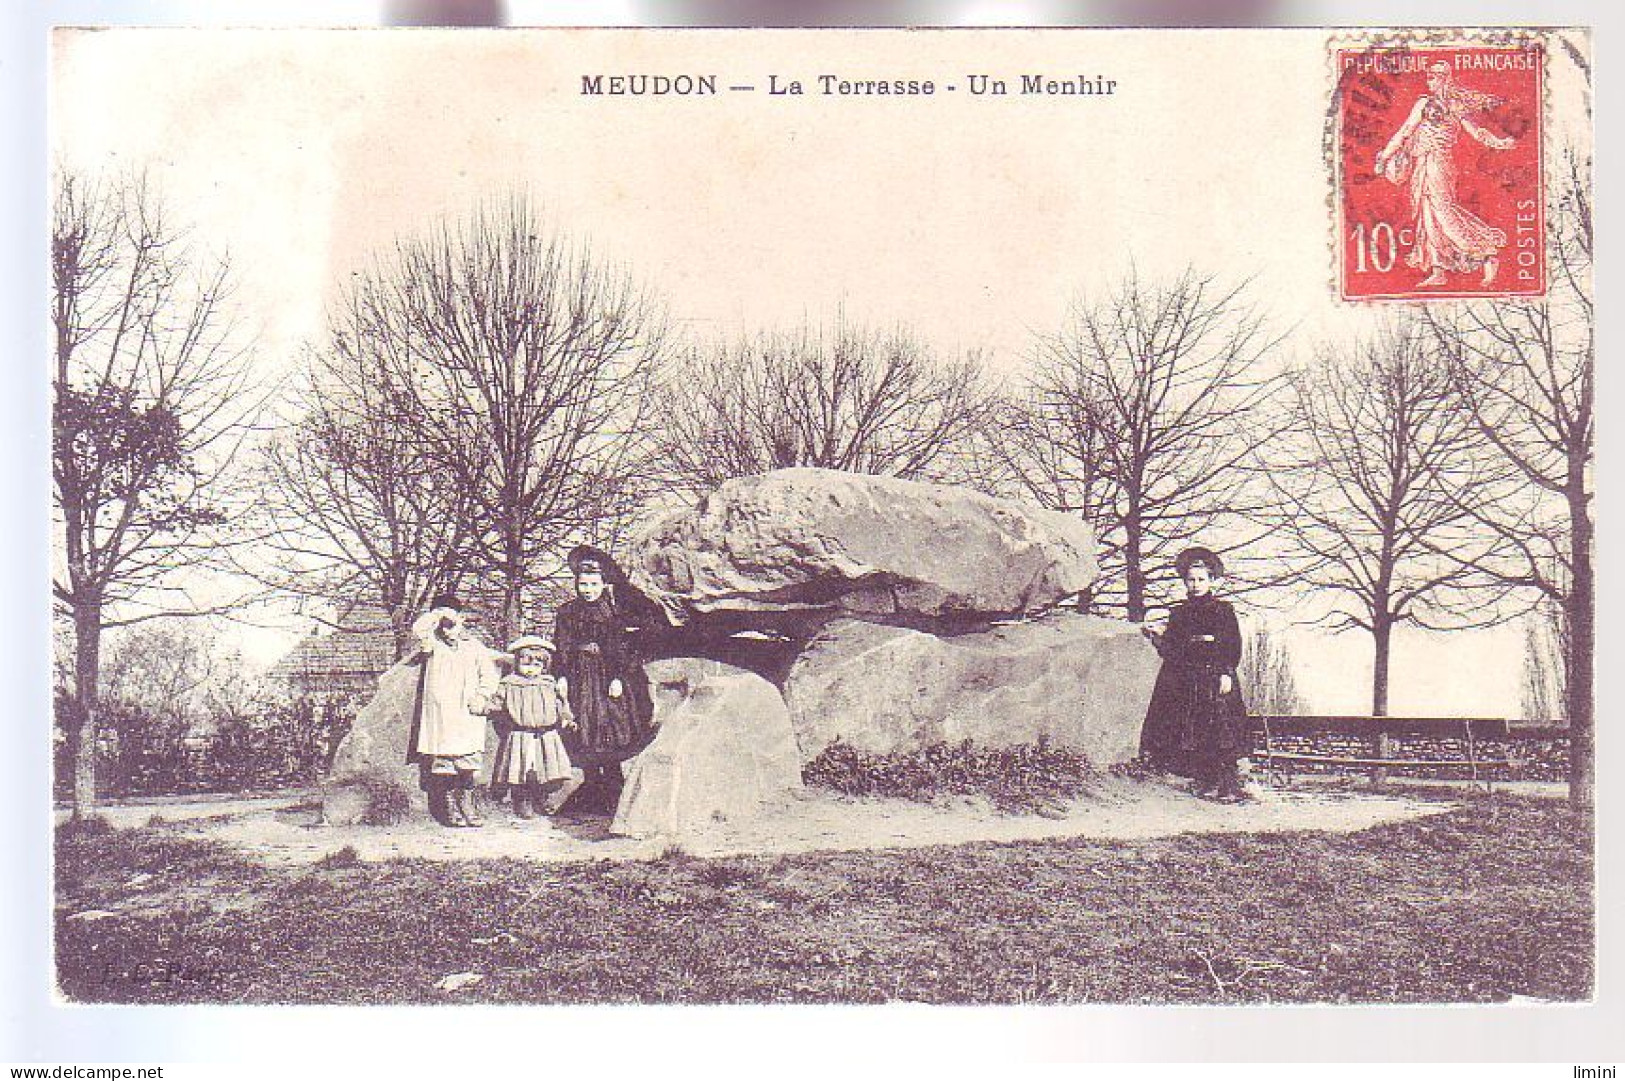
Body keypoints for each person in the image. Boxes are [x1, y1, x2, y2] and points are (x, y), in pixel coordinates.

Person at [1374, 60, 1516, 288]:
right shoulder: (1422, 103)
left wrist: (1499, 143)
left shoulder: (1456, 105)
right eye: (1428, 76)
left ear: (1445, 79)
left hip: (1440, 163)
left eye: (1435, 76)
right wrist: (1384, 156)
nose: (1430, 80)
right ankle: (1438, 270)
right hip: (1421, 163)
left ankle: (1487, 254)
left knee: (1443, 211)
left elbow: (1476, 132)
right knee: (1427, 215)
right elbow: (1405, 131)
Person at [1139, 547, 1251, 802]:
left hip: (1215, 674)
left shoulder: (1223, 610)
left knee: (1221, 728)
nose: (1196, 584)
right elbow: (1174, 648)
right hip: (1188, 678)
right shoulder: (1180, 613)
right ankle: (1204, 781)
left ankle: (1228, 784)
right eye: (1191, 579)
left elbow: (1232, 644)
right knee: (1194, 729)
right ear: (1184, 581)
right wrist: (1158, 635)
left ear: (1212, 580)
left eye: (1202, 579)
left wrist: (1226, 673)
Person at [552, 545, 658, 813]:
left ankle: (612, 788)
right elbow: (562, 644)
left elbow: (625, 646)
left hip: (608, 676)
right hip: (580, 677)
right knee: (583, 728)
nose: (587, 589)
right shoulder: (567, 613)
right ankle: (590, 787)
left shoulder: (613, 612)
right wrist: (562, 675)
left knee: (610, 728)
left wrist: (619, 676)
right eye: (582, 584)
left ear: (603, 584)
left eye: (593, 584)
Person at [410, 594, 500, 827]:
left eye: (452, 619)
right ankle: (448, 803)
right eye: (442, 620)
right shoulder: (431, 644)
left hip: (467, 711)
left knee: (469, 760)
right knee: (444, 761)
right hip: (441, 712)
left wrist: (482, 696)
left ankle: (466, 800)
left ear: (461, 619)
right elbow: (418, 631)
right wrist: (436, 616)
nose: (447, 626)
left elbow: (489, 675)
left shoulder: (474, 646)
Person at [485, 635, 583, 819]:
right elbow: (497, 702)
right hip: (522, 734)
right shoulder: (510, 683)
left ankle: (543, 798)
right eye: (526, 665)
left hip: (546, 735)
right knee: (523, 769)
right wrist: (485, 707)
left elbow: (560, 705)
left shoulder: (548, 683)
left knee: (544, 768)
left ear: (544, 666)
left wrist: (566, 718)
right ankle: (523, 800)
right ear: (517, 663)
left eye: (537, 665)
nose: (531, 670)